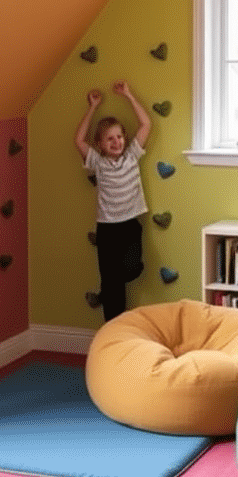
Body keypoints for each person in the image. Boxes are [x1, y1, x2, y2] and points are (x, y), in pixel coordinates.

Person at [75, 80, 151, 320]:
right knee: (110, 282)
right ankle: (114, 328)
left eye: (119, 137)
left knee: (129, 271)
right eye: (110, 139)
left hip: (129, 225)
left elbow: (146, 123)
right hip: (107, 229)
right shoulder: (98, 162)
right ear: (100, 144)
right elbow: (78, 140)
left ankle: (115, 290)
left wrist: (128, 95)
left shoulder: (131, 157)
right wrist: (92, 107)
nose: (116, 142)